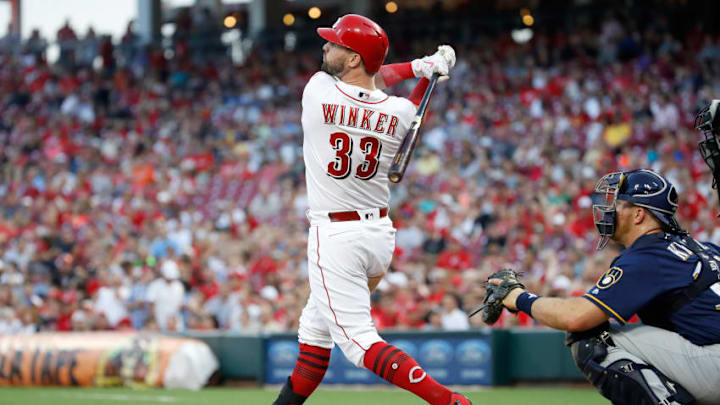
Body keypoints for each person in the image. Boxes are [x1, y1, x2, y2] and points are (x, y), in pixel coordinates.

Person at [272, 14, 471, 405]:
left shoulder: (318, 90)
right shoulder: (398, 113)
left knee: (359, 343)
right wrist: (424, 73)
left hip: (336, 237)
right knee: (315, 335)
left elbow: (377, 80)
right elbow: (389, 95)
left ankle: (450, 401)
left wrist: (418, 67)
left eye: (335, 44)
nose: (326, 47)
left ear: (352, 60)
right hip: (378, 237)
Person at [488, 169, 720, 405]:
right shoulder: (704, 248)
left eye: (618, 203)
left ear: (639, 214)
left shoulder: (649, 254)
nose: (608, 210)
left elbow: (575, 317)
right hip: (708, 359)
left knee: (593, 337)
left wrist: (519, 297)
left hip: (714, 366)